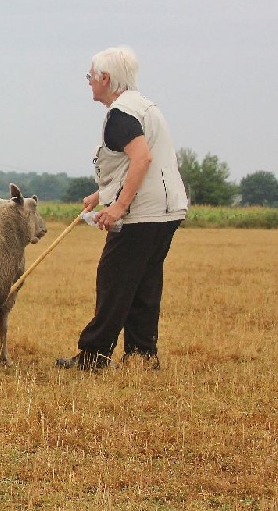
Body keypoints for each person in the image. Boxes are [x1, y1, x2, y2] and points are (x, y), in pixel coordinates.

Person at [56, 46, 189, 371]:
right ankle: (142, 356)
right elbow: (135, 163)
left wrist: (118, 208)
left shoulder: (120, 115)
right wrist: (101, 195)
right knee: (144, 281)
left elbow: (142, 159)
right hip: (168, 210)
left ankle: (94, 355)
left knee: (114, 279)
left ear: (105, 78)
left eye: (91, 76)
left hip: (142, 213)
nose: (89, 82)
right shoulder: (143, 105)